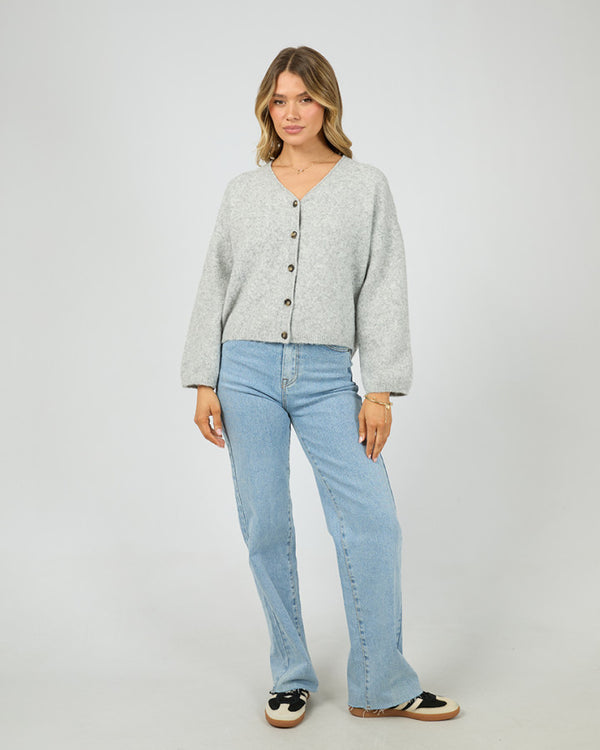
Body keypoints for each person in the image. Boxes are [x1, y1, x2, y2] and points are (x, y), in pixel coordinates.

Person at [180, 45, 460, 728]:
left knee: (372, 522)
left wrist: (380, 389)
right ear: (266, 108)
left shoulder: (365, 186)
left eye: (304, 98)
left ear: (326, 103)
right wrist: (203, 378)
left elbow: (383, 285)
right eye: (279, 100)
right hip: (243, 371)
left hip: (329, 376)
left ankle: (381, 683)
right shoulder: (243, 191)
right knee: (265, 524)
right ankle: (290, 673)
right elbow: (215, 280)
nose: (292, 112)